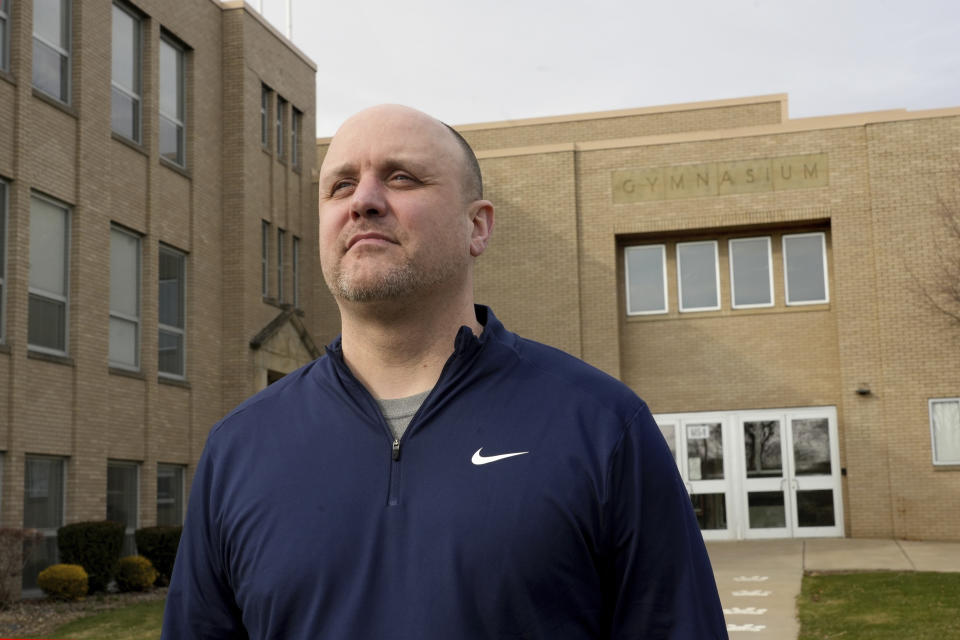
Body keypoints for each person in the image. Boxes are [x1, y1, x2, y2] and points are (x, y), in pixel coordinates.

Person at [162, 105, 728, 639]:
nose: (364, 201)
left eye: (402, 177)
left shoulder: (603, 426)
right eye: (340, 186)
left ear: (477, 227)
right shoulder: (240, 447)